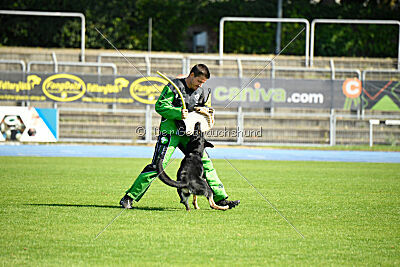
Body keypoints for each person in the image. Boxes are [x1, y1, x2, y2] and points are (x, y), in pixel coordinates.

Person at [120, 64, 240, 209]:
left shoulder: (201, 92)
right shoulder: (174, 87)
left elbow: (208, 109)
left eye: (203, 83)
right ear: (191, 75)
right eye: (199, 81)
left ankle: (221, 198)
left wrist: (205, 110)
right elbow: (160, 106)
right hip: (170, 133)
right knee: (157, 165)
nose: (200, 85)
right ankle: (129, 197)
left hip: (190, 136)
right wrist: (178, 112)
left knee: (205, 163)